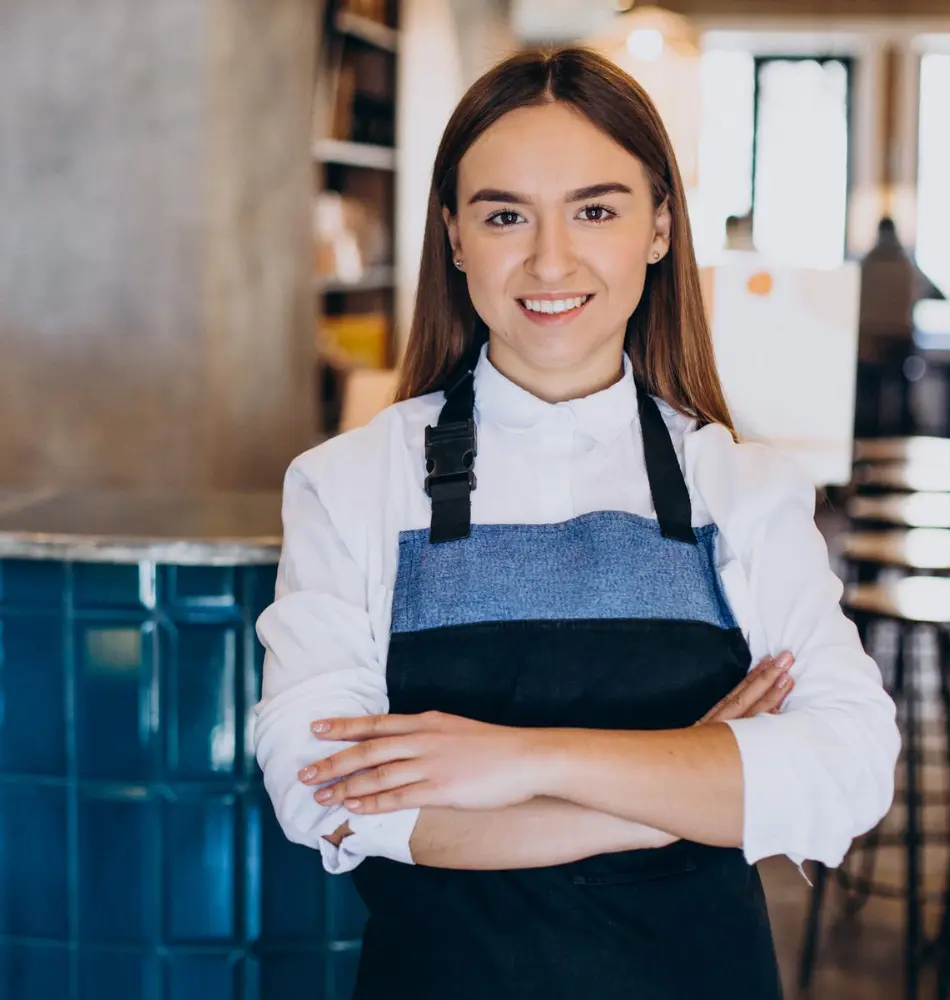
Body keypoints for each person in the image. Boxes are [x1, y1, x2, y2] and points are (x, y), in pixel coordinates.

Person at [254, 47, 899, 1000]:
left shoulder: (744, 488)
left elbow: (845, 771)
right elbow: (327, 789)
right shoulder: (349, 484)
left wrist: (515, 759)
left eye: (596, 210)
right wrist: (683, 791)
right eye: (506, 215)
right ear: (455, 237)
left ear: (660, 228)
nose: (549, 261)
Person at [855, 216, 944, 435]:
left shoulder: (867, 263)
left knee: (869, 394)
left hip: (870, 341)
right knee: (902, 389)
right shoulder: (906, 263)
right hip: (899, 338)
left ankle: (869, 434)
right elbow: (932, 292)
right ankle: (902, 432)